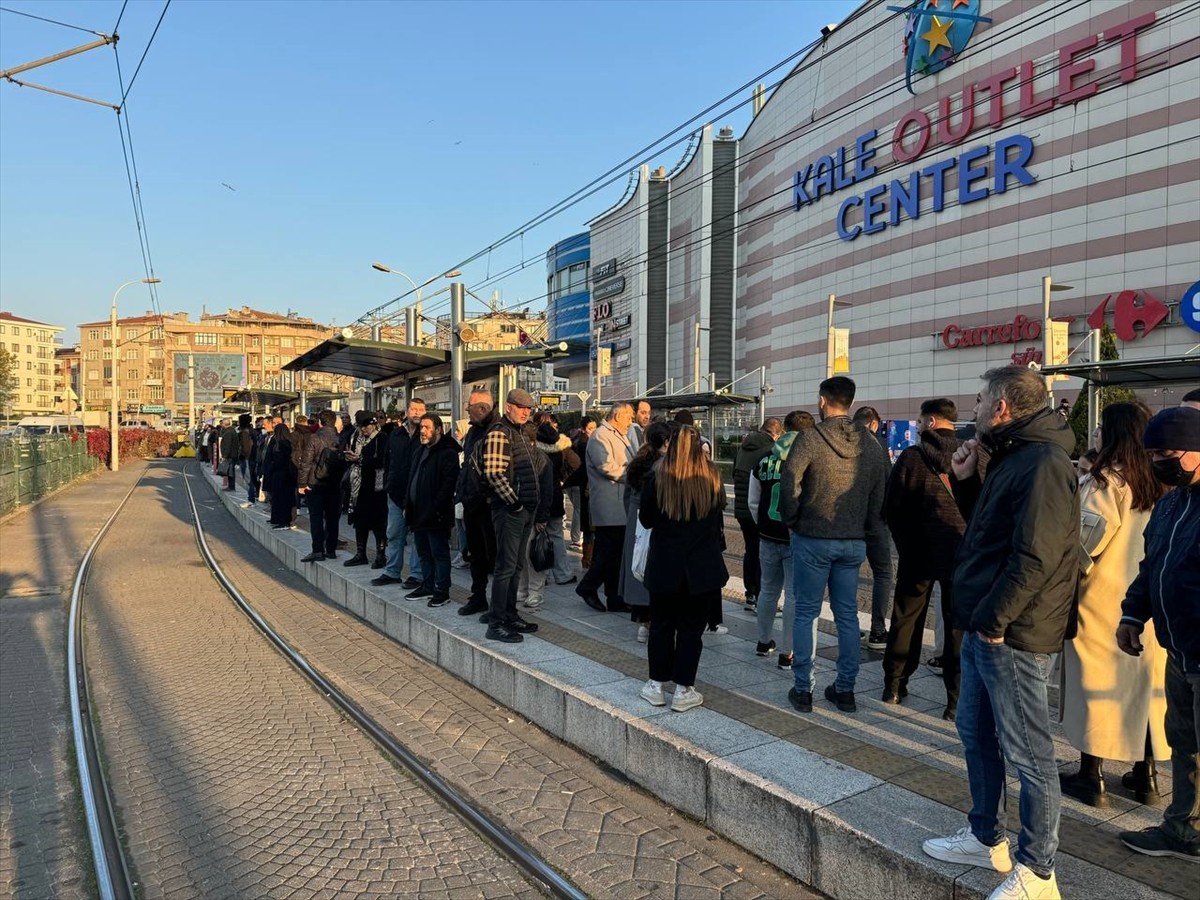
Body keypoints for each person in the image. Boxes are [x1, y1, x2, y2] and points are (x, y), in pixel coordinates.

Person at [922, 366, 1079, 900]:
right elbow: (990, 536)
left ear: (1004, 407)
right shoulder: (1015, 455)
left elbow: (1036, 556)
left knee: (1029, 753)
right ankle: (986, 835)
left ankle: (1038, 870)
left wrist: (993, 620)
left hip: (1013, 632)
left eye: (981, 398)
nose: (974, 407)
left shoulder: (1044, 462)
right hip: (989, 624)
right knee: (975, 730)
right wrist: (967, 485)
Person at [1059, 402, 1167, 808]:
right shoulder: (1159, 481)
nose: (1097, 433)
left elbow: (1084, 545)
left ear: (1118, 434)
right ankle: (1146, 776)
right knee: (1147, 689)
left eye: (1103, 427)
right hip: (1148, 605)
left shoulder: (1108, 482)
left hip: (1102, 604)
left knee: (1095, 688)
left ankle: (1091, 776)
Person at [1117, 405, 1200, 864]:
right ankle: (1183, 830)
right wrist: (1133, 616)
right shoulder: (1171, 503)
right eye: (1151, 454)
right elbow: (1152, 569)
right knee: (1185, 745)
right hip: (1179, 651)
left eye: (1166, 452)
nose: (1157, 464)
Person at [779, 377, 889, 715]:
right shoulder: (872, 446)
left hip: (812, 537)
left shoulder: (810, 439)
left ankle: (803, 689)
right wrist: (866, 530)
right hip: (853, 542)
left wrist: (793, 520)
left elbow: (789, 484)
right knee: (847, 616)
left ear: (824, 401)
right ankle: (845, 690)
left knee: (807, 612)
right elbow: (880, 496)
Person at [881, 398, 967, 721]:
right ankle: (955, 701)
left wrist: (906, 545)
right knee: (957, 625)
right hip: (959, 552)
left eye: (919, 421)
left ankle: (894, 685)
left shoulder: (911, 458)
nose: (916, 427)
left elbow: (893, 508)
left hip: (917, 552)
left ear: (931, 423)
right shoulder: (969, 455)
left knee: (906, 618)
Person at [638, 425, 729, 712]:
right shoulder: (712, 476)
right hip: (701, 567)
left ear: (672, 445)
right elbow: (717, 518)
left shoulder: (657, 476)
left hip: (665, 564)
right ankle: (683, 689)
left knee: (661, 626)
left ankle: (655, 685)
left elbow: (647, 519)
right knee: (691, 630)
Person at [481, 389, 548, 642]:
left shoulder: (517, 432)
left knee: (516, 566)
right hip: (510, 511)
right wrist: (516, 504)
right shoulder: (501, 432)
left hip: (522, 510)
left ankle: (509, 614)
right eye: (521, 407)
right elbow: (494, 473)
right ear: (508, 407)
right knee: (506, 568)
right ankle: (497, 622)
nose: (526, 412)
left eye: (529, 409)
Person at [749, 410, 814, 670]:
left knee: (767, 589)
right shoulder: (806, 461)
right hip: (795, 536)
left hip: (766, 534)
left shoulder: (764, 459)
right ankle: (788, 651)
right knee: (794, 595)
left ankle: (763, 641)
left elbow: (753, 502)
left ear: (785, 429)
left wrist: (762, 525)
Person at [576, 402, 635, 613]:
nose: (631, 421)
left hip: (620, 504)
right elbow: (607, 468)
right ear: (618, 416)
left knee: (614, 554)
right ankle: (587, 586)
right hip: (610, 506)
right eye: (629, 417)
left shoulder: (618, 433)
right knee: (610, 552)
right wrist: (635, 476)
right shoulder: (600, 435)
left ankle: (614, 597)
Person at [620, 421, 672, 641]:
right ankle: (654, 623)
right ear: (667, 442)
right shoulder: (667, 466)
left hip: (635, 521)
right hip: (657, 524)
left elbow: (626, 497)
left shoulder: (637, 462)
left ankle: (642, 622)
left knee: (637, 568)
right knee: (655, 570)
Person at [404, 413, 461, 607]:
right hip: (418, 512)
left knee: (439, 553)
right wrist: (408, 505)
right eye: (421, 427)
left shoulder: (447, 452)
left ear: (438, 429)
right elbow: (413, 477)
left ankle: (442, 590)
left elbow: (447, 485)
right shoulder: (420, 450)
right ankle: (427, 585)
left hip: (436, 514)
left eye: (427, 427)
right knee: (423, 552)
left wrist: (435, 508)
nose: (423, 431)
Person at [455, 390, 501, 615]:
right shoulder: (473, 432)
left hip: (491, 506)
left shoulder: (498, 431)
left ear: (483, 409)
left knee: (496, 557)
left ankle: (499, 605)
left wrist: (488, 497)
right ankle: (478, 596)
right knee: (476, 556)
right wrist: (462, 494)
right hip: (472, 504)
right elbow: (467, 466)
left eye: (469, 407)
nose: (466, 411)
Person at [371, 398, 426, 588]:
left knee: (417, 536)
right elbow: (386, 461)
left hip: (419, 495)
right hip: (395, 493)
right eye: (414, 409)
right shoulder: (395, 434)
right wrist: (386, 484)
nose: (417, 412)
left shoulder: (427, 435)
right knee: (394, 533)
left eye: (421, 409)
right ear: (407, 411)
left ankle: (416, 575)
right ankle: (392, 571)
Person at [733, 418, 784, 614]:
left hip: (741, 510)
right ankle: (763, 597)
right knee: (763, 555)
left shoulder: (742, 448)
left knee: (750, 551)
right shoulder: (770, 450)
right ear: (776, 434)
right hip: (759, 510)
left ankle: (750, 594)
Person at [853, 405, 894, 650]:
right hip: (876, 522)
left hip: (848, 522)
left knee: (846, 572)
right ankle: (878, 630)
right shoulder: (877, 446)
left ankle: (848, 624)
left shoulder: (842, 442)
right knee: (883, 574)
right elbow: (889, 486)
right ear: (874, 424)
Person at [343, 410, 389, 569]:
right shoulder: (356, 437)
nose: (363, 430)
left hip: (376, 486)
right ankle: (360, 553)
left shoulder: (382, 438)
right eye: (361, 426)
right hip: (358, 485)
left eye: (366, 426)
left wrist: (360, 459)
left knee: (378, 522)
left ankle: (381, 555)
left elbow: (382, 460)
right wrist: (349, 458)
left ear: (374, 424)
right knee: (359, 520)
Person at [297, 409, 343, 562]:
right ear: (334, 421)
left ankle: (317, 550)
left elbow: (306, 462)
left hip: (315, 484)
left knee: (316, 518)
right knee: (332, 518)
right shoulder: (340, 438)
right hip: (335, 484)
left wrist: (302, 484)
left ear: (320, 422)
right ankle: (331, 550)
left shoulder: (314, 438)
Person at [563, 417, 598, 560]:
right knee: (582, 513)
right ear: (583, 429)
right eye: (590, 429)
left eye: (595, 428)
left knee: (582, 513)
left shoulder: (575, 441)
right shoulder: (585, 444)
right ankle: (579, 542)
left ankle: (582, 547)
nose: (594, 431)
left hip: (572, 482)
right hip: (582, 484)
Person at [264, 422, 297, 529]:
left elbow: (278, 460)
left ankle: (283, 520)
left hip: (281, 475)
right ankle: (279, 519)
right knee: (281, 498)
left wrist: (271, 466)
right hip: (286, 475)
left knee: (280, 498)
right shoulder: (288, 442)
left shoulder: (281, 443)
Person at [219, 419, 240, 491]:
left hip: (230, 455)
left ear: (225, 424)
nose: (221, 425)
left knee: (230, 471)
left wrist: (225, 456)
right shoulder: (232, 431)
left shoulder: (228, 433)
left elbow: (228, 445)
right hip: (232, 454)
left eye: (222, 424)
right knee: (230, 471)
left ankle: (231, 487)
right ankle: (231, 486)